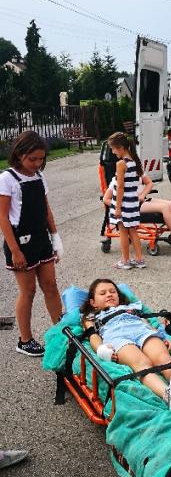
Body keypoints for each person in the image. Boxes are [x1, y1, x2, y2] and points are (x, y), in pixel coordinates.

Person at [80, 278, 171, 411]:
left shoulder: (132, 308)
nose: (109, 294)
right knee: (142, 364)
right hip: (118, 338)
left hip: (142, 332)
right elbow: (93, 336)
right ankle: (169, 395)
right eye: (103, 293)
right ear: (93, 302)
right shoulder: (91, 317)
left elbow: (147, 323)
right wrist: (101, 349)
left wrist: (163, 336)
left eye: (113, 292)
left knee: (163, 357)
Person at [0, 131, 63, 357]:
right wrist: (15, 251)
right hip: (21, 243)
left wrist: (55, 237)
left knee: (51, 285)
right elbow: (3, 217)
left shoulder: (38, 176)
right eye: (32, 159)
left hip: (41, 238)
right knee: (28, 291)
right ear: (19, 154)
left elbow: (46, 209)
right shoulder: (7, 178)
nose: (37, 163)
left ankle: (62, 332)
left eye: (41, 159)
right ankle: (25, 340)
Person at [103, 176, 171, 246]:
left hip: (142, 201)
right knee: (165, 207)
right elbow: (106, 199)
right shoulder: (117, 180)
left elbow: (149, 183)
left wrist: (142, 195)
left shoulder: (138, 172)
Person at [106, 132, 148, 269]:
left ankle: (125, 261)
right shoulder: (134, 162)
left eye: (113, 149)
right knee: (133, 231)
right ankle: (140, 260)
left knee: (123, 232)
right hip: (133, 201)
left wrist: (117, 208)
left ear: (121, 147)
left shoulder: (121, 164)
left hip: (124, 203)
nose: (113, 152)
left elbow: (120, 188)